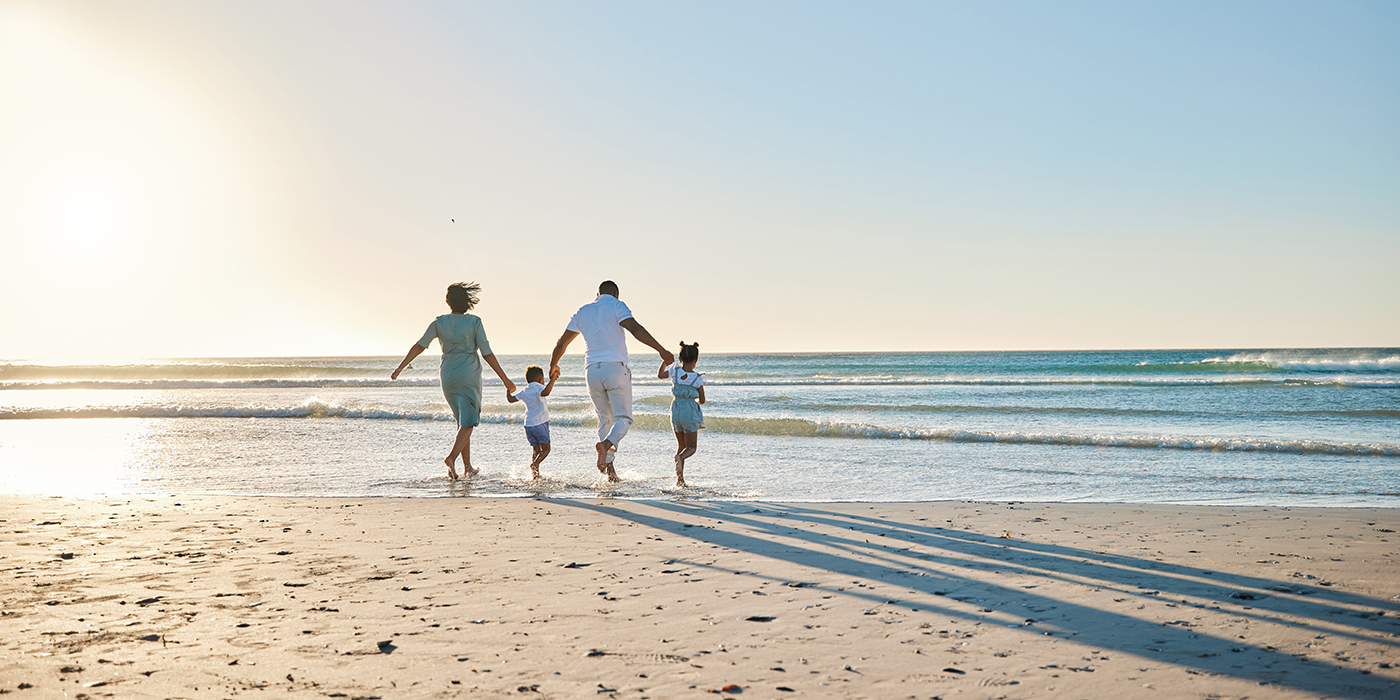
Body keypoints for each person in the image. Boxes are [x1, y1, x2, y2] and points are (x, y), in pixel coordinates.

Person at [549, 280, 673, 481]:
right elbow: (635, 329)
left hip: (592, 371)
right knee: (623, 419)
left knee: (604, 419)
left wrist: (553, 365)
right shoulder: (617, 305)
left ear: (597, 293)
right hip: (615, 369)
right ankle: (606, 446)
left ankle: (610, 471)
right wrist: (661, 350)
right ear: (616, 293)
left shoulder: (583, 311)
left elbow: (562, 343)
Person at [391, 282, 515, 481]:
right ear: (467, 302)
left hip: (447, 374)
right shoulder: (474, 322)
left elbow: (420, 345)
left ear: (448, 302)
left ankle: (468, 467)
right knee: (469, 422)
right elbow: (486, 353)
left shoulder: (439, 322)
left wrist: (400, 367)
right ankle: (451, 457)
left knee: (461, 421)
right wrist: (505, 379)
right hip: (468, 374)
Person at [659, 341, 705, 487]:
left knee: (681, 445)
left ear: (680, 359)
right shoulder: (698, 378)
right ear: (696, 360)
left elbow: (660, 375)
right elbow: (702, 400)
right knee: (691, 448)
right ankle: (680, 459)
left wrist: (664, 362)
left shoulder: (675, 372)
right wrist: (695, 402)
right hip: (689, 412)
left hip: (676, 410)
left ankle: (680, 480)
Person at [505, 365, 557, 480]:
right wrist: (553, 380)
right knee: (546, 449)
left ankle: (535, 474)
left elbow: (511, 399)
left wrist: (508, 391)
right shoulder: (538, 387)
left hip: (528, 425)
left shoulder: (525, 390)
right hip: (540, 423)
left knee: (536, 450)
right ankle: (535, 465)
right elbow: (545, 393)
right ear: (540, 379)